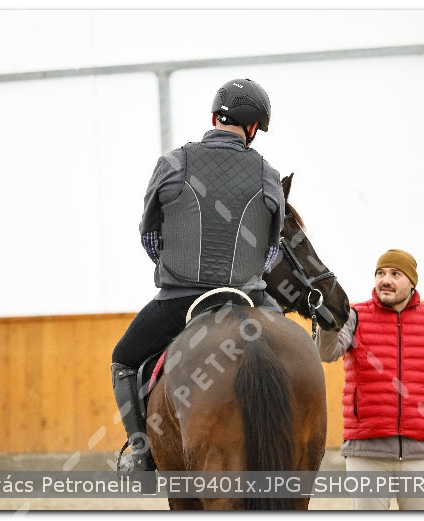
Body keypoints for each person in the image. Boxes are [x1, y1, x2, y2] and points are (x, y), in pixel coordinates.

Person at [111, 78, 285, 473]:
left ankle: (142, 455)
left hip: (181, 300)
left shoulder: (172, 163)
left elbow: (149, 235)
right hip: (249, 299)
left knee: (123, 359)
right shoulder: (268, 174)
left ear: (213, 117)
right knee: (291, 349)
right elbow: (271, 251)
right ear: (254, 128)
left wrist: (175, 270)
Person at [316, 249, 424, 510]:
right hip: (366, 452)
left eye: (394, 274)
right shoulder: (354, 317)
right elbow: (326, 352)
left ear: (412, 282)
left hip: (418, 454)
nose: (385, 280)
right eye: (380, 273)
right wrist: (328, 324)